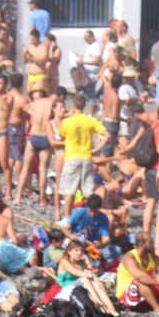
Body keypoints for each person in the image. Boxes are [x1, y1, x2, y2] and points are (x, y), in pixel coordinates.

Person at [58, 93, 110, 222]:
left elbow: (61, 136)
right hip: (86, 156)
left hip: (72, 156)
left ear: (73, 105)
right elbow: (107, 135)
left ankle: (67, 217)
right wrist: (97, 149)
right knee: (88, 190)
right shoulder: (90, 121)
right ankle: (92, 214)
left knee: (69, 189)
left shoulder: (67, 122)